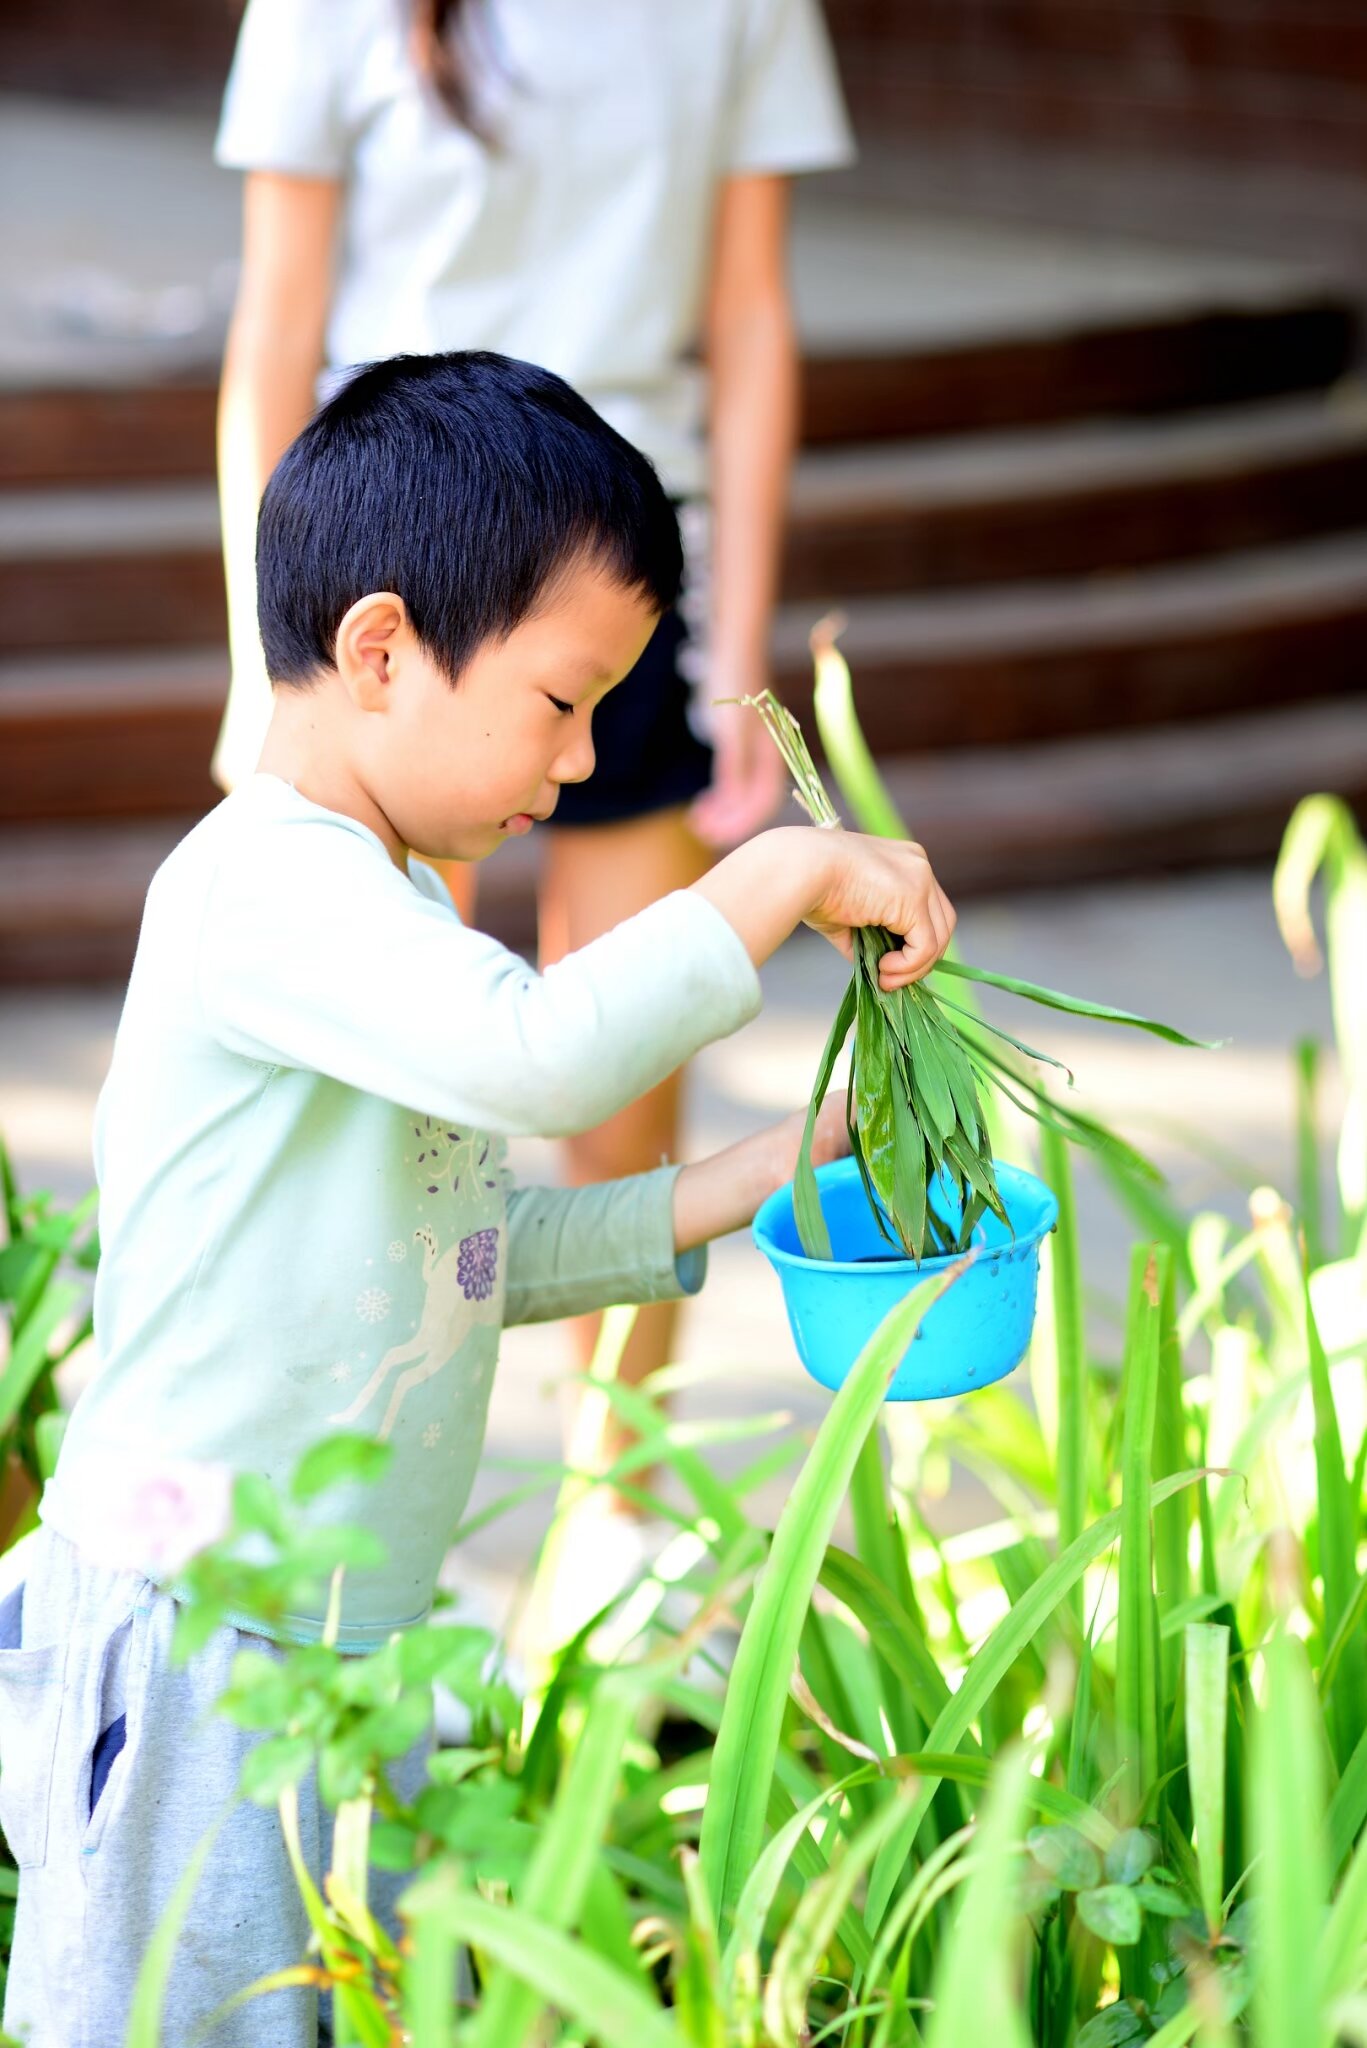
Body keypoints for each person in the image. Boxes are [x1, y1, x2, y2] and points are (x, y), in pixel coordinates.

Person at [0, 353, 954, 2048]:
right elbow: (545, 1061)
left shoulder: (389, 908)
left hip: (346, 1637)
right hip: (199, 1642)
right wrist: (781, 870)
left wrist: (762, 1172)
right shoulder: (265, 891)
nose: (581, 761)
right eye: (562, 700)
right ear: (382, 651)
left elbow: (449, 1259)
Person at [211, 0, 855, 1520]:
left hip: (620, 580)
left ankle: (618, 1519)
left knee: (628, 1081)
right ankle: (325, 1509)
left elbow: (750, 317)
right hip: (411, 587)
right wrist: (264, 666)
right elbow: (277, 329)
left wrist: (735, 653)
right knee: (380, 1105)